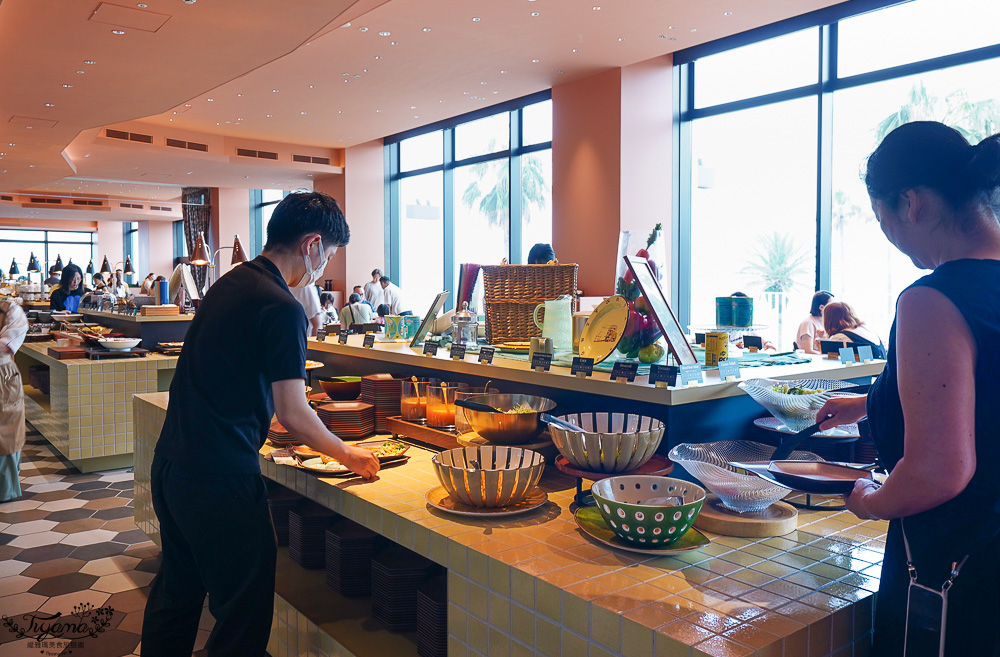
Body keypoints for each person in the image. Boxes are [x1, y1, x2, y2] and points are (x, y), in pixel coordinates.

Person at [141, 191, 379, 657]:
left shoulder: (229, 285)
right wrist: (349, 453)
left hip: (172, 466)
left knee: (178, 594)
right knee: (243, 616)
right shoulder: (282, 306)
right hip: (220, 479)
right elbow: (293, 412)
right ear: (312, 245)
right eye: (328, 255)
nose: (324, 267)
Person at [817, 121, 1000, 655]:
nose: (889, 236)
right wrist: (869, 404)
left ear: (911, 203)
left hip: (957, 573)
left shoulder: (930, 300)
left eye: (881, 219)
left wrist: (872, 502)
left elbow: (939, 469)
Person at [0, 297, 28, 502]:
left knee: (6, 431)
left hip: (3, 375)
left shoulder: (11, 310)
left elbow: (5, 345)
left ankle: (4, 488)